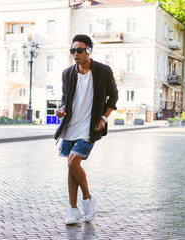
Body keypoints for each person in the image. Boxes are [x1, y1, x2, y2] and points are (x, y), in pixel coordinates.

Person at [54, 34, 118, 225]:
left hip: (89, 127)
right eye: (73, 50)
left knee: (73, 163)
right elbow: (66, 98)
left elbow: (113, 97)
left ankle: (88, 199)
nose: (75, 54)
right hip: (70, 126)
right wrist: (62, 109)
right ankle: (73, 211)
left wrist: (104, 118)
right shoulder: (67, 73)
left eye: (79, 50)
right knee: (71, 168)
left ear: (89, 50)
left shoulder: (102, 71)